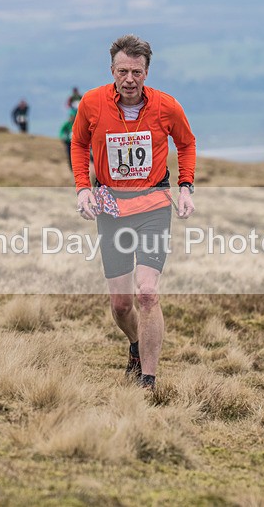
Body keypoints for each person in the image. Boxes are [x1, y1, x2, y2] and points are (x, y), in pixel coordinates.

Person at [71, 34, 196, 391]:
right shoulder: (92, 103)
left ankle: (149, 381)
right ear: (112, 70)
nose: (129, 79)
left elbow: (186, 144)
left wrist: (185, 186)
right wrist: (82, 187)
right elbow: (79, 144)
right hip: (111, 208)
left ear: (146, 72)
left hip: (154, 205)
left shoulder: (166, 106)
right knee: (122, 304)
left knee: (146, 293)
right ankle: (136, 346)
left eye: (137, 72)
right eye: (123, 71)